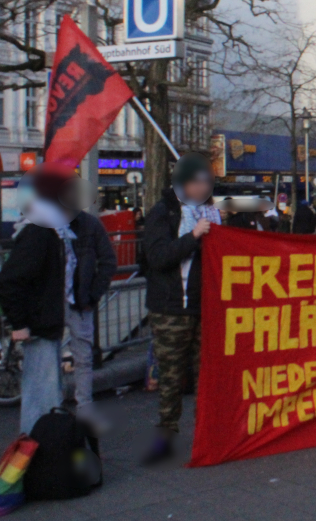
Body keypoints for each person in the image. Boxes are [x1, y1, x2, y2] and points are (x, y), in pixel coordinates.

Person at [0, 163, 117, 434]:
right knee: (42, 387)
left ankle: (47, 441)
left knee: (51, 382)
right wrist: (19, 324)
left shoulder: (59, 229)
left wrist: (90, 294)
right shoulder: (41, 231)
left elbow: (102, 261)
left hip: (61, 310)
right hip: (42, 320)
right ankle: (38, 446)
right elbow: (11, 280)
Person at [140, 153, 221, 465]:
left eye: (206, 183)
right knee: (172, 378)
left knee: (206, 376)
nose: (203, 189)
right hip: (171, 309)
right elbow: (158, 257)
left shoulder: (211, 212)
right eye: (197, 183)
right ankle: (166, 434)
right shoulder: (163, 214)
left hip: (204, 308)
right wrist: (193, 237)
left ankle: (206, 433)